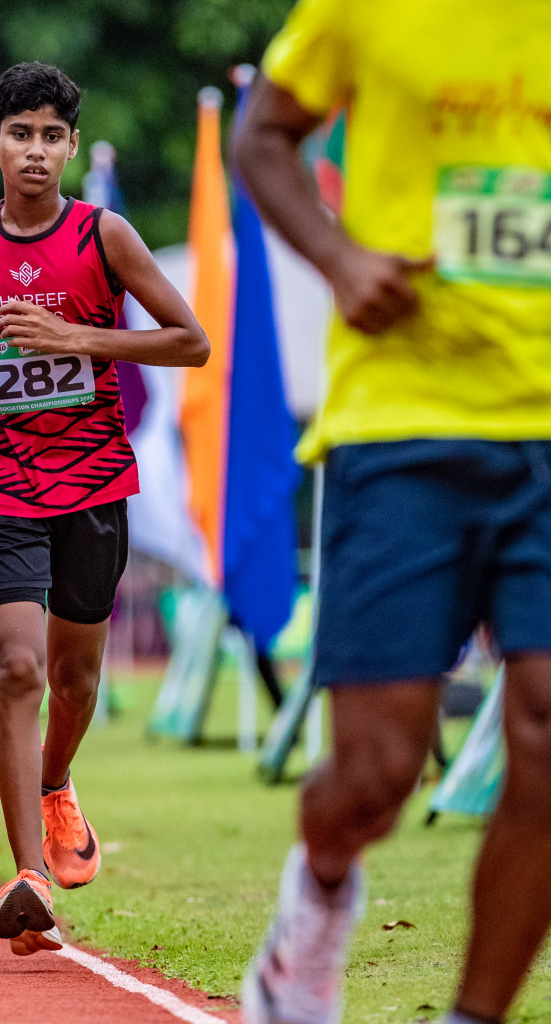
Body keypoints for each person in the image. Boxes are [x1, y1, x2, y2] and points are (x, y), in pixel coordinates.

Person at [231, 4, 551, 1022]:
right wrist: (341, 259)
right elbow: (262, 133)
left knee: (549, 732)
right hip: (403, 422)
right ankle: (312, 914)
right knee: (376, 774)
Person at [0, 63, 208, 956]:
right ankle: (27, 878)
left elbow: (191, 342)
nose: (36, 151)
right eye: (21, 134)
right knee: (16, 668)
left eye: (53, 136)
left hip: (92, 483)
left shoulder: (104, 235)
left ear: (72, 146)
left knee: (74, 680)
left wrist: (76, 337)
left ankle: (57, 784)